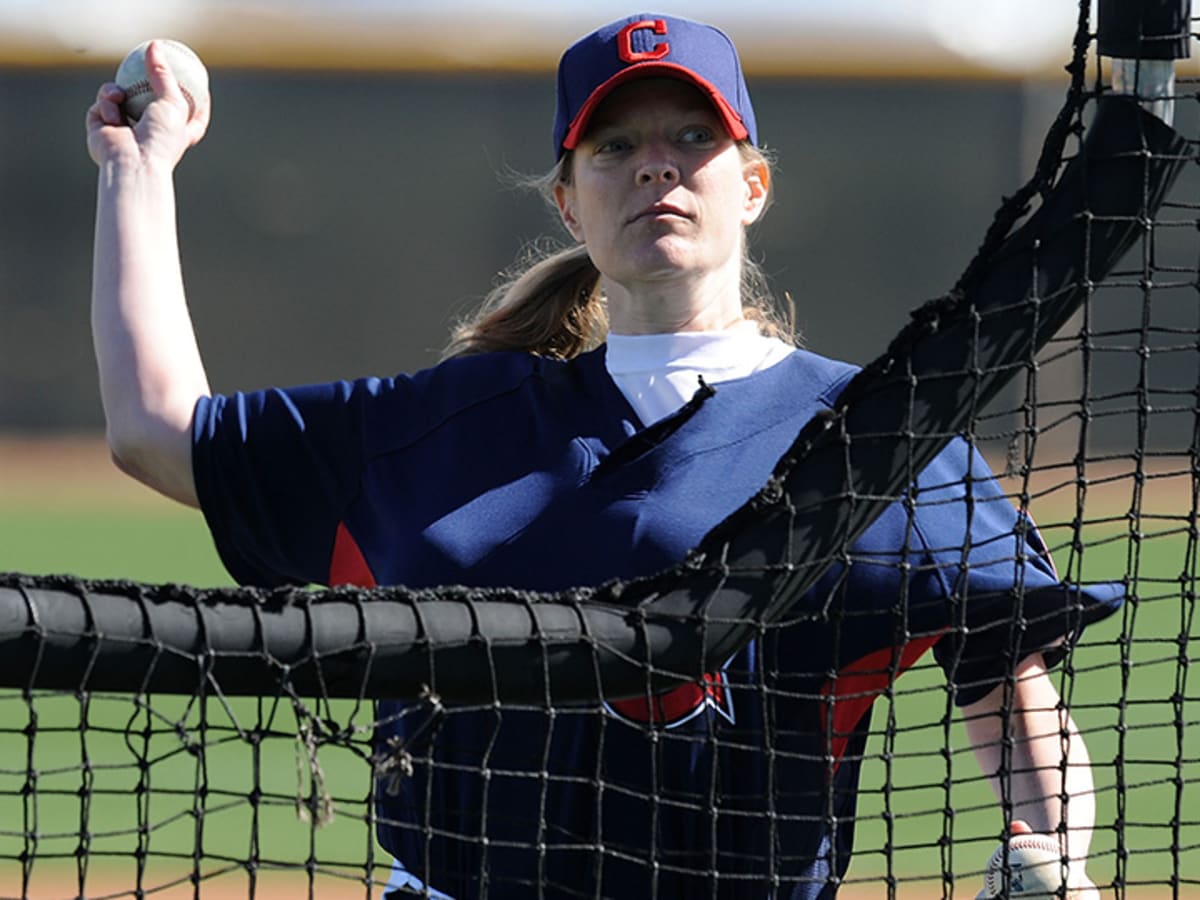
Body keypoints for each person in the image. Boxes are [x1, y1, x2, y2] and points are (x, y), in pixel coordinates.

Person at [86, 13, 1181, 899]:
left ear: (752, 184)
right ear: (570, 199)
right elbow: (156, 431)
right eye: (616, 147)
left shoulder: (877, 434)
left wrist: (1053, 853)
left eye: (691, 140)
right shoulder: (444, 425)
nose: (656, 168)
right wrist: (142, 167)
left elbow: (1007, 684)